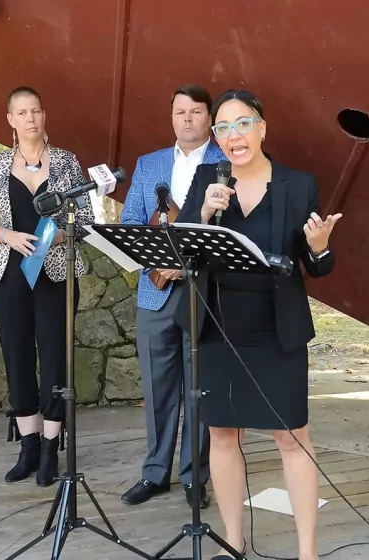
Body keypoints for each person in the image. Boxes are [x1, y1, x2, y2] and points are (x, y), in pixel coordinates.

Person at [174, 89, 341, 560]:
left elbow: (317, 266)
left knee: (292, 436)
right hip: (217, 326)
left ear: (262, 128)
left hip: (276, 330)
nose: (234, 135)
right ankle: (233, 542)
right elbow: (182, 248)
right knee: (222, 434)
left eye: (243, 124)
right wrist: (203, 212)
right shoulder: (207, 178)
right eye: (223, 128)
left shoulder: (298, 184)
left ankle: (307, 551)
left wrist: (320, 247)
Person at [0, 86, 94, 487]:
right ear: (11, 120)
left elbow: (86, 220)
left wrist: (57, 237)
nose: (30, 119)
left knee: (56, 358)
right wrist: (7, 236)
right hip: (8, 275)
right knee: (18, 357)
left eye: (36, 111)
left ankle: (50, 448)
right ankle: (27, 446)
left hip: (55, 274)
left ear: (44, 115)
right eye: (22, 113)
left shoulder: (66, 162)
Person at [119, 84, 224, 508]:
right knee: (158, 387)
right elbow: (130, 220)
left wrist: (187, 264)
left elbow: (230, 228)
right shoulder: (149, 164)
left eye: (195, 111)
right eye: (180, 112)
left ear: (209, 118)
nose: (187, 118)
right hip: (155, 292)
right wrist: (157, 264)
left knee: (198, 388)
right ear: (172, 118)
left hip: (203, 292)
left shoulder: (226, 162)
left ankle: (195, 476)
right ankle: (155, 472)